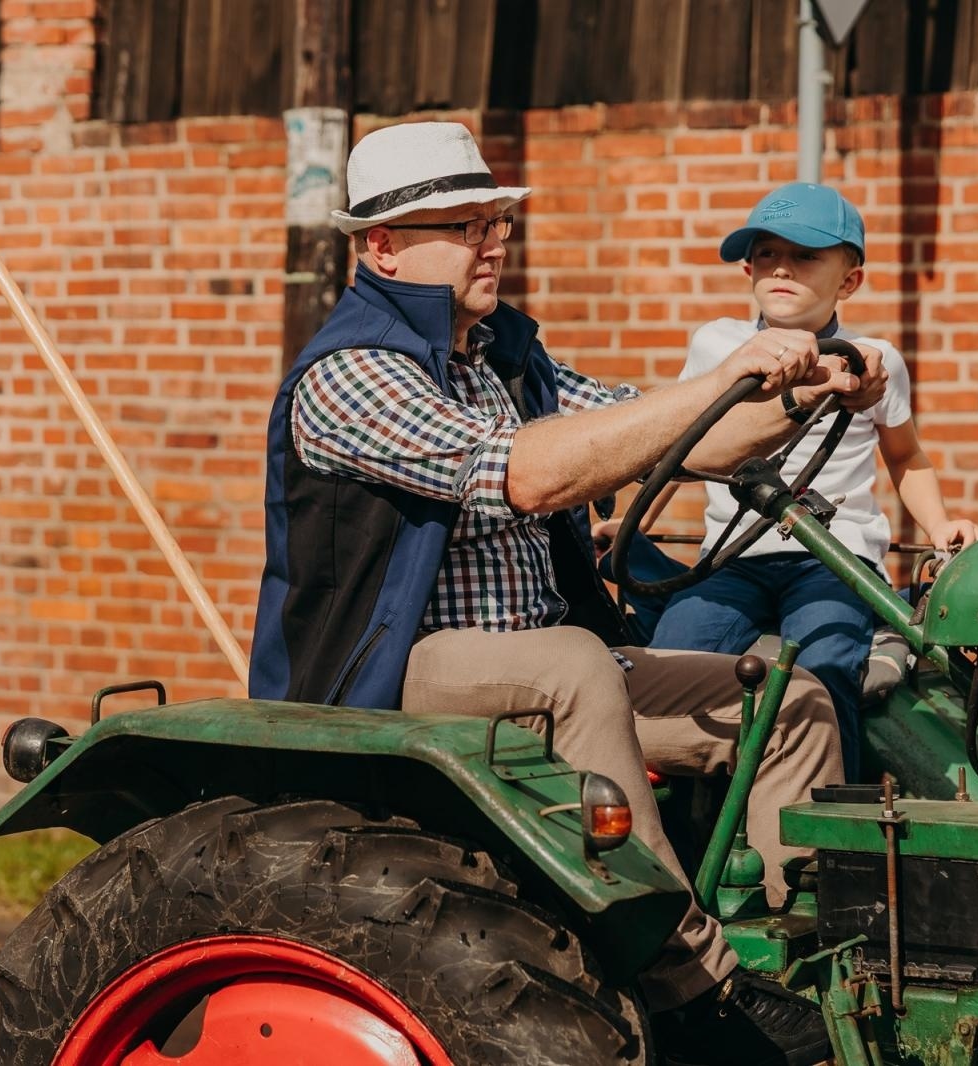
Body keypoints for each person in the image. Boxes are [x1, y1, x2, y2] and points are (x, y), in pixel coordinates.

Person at [249, 122, 886, 1066]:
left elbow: (686, 443)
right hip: (384, 673)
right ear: (380, 246)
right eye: (463, 225)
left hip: (538, 659)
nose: (493, 239)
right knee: (572, 662)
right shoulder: (350, 375)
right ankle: (696, 991)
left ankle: (805, 962)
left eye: (496, 219)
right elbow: (530, 476)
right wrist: (722, 375)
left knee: (787, 705)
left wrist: (811, 390)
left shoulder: (507, 360)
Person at [633, 183, 978, 781]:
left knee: (825, 664)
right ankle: (670, 809)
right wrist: (637, 522)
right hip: (733, 558)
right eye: (766, 255)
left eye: (806, 256)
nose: (782, 269)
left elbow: (906, 457)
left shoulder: (873, 362)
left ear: (849, 281)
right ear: (747, 269)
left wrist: (940, 524)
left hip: (833, 558)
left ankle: (831, 811)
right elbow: (681, 448)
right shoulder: (718, 344)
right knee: (671, 655)